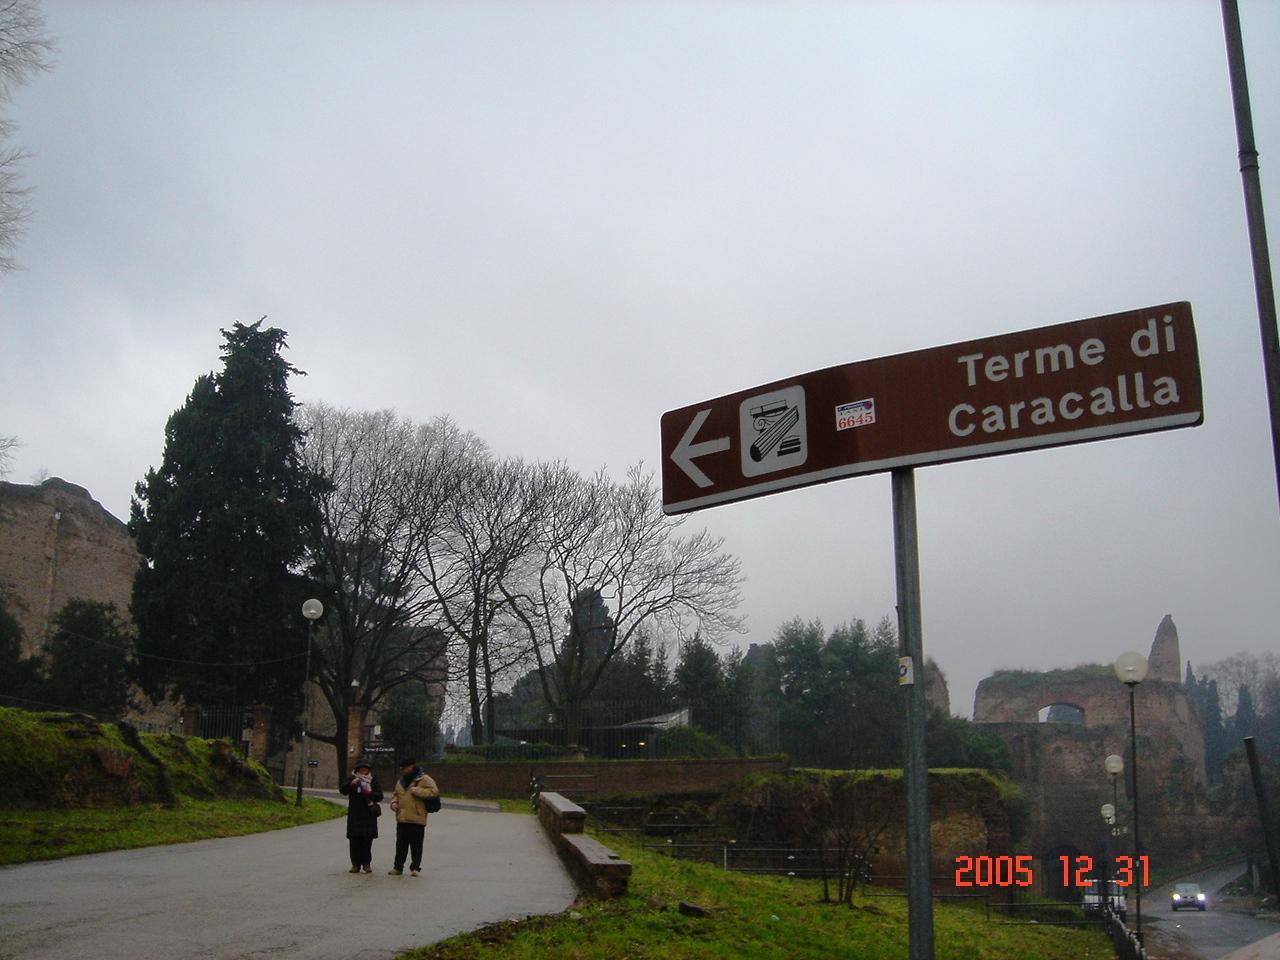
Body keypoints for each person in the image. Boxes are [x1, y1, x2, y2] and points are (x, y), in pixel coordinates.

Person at [388, 756, 438, 877]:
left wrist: (417, 791)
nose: (403, 770)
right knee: (400, 845)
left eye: (404, 768)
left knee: (416, 845)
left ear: (411, 766)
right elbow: (396, 794)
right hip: (402, 818)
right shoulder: (401, 781)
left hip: (417, 818)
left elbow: (434, 791)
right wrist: (393, 802)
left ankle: (415, 867)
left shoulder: (424, 778)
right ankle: (398, 867)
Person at [337, 758, 383, 874]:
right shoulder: (352, 779)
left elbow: (380, 796)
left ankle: (366, 864)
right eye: (361, 769)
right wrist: (350, 785)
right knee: (354, 841)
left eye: (365, 769)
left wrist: (370, 794)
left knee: (367, 841)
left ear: (368, 770)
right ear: (357, 769)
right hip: (355, 815)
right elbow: (342, 790)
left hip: (369, 815)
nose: (363, 771)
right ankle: (355, 864)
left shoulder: (373, 780)